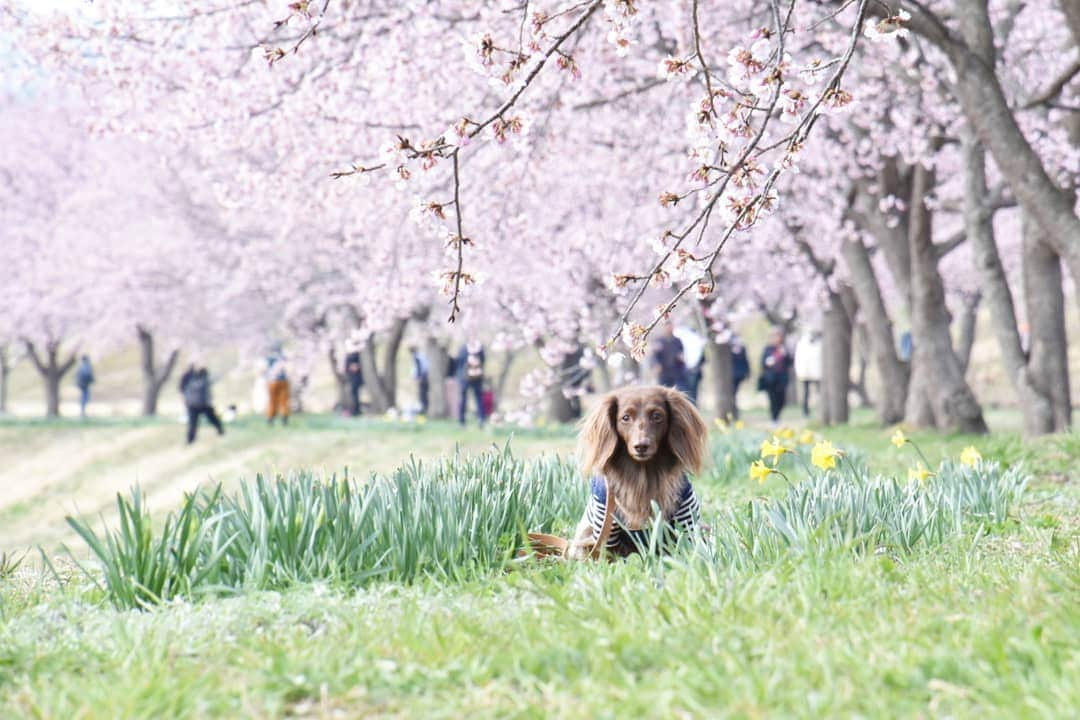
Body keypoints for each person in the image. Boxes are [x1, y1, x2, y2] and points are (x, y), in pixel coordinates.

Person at [180, 365, 224, 444]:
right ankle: (220, 431)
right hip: (203, 405)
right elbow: (213, 380)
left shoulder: (189, 380)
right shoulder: (204, 380)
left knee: (193, 424)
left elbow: (183, 391)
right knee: (212, 420)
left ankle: (190, 440)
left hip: (193, 405)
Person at [758, 327, 793, 424]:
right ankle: (774, 418)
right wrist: (769, 361)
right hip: (770, 379)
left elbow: (789, 362)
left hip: (782, 378)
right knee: (772, 399)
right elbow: (763, 363)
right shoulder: (768, 349)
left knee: (781, 400)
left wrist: (785, 354)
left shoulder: (784, 348)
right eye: (775, 336)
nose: (777, 338)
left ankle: (777, 415)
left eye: (779, 336)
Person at [651, 322, 689, 393]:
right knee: (663, 392)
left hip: (676, 371)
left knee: (679, 392)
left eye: (670, 327)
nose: (669, 329)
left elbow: (681, 353)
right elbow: (654, 356)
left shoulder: (677, 341)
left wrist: (681, 358)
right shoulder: (659, 341)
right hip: (664, 372)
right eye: (667, 327)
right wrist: (656, 365)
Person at [674, 325, 706, 405]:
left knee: (689, 393)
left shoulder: (693, 341)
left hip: (691, 371)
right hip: (687, 371)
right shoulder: (693, 341)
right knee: (689, 393)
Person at [794, 329, 823, 417]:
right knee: (806, 393)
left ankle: (820, 410)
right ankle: (805, 411)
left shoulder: (819, 344)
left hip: (817, 372)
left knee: (819, 393)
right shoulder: (802, 345)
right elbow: (798, 360)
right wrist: (799, 372)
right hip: (805, 372)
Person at [456, 340, 486, 425]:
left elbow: (459, 363)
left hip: (471, 378)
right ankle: (466, 420)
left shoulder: (464, 349)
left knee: (476, 399)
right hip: (468, 378)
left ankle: (478, 419)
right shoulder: (479, 349)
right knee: (470, 399)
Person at [266, 343, 290, 425]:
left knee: (272, 400)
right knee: (283, 400)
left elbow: (266, 369)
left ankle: (270, 418)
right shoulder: (283, 357)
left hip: (272, 381)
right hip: (283, 380)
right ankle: (284, 418)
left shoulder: (270, 357)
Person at [731, 338, 750, 419]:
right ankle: (734, 411)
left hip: (739, 375)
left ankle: (735, 411)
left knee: (735, 393)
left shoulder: (742, 349)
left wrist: (747, 373)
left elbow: (745, 361)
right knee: (733, 393)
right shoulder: (729, 350)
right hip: (731, 375)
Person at [344, 342, 364, 416]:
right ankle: (353, 410)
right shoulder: (350, 355)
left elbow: (355, 367)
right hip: (351, 378)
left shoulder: (356, 356)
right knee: (353, 395)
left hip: (356, 379)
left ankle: (356, 411)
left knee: (355, 395)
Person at [410, 345, 430, 415]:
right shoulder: (421, 356)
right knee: (423, 395)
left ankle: (423, 410)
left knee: (422, 395)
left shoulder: (417, 357)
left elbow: (419, 368)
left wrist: (418, 378)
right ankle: (424, 409)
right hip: (424, 377)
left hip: (422, 378)